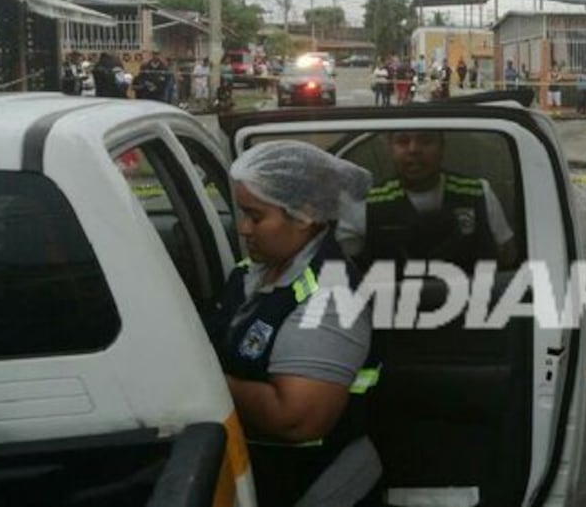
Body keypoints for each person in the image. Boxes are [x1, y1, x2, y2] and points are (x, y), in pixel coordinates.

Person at [205, 140, 382, 507]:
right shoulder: (253, 273)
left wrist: (202, 382)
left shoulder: (331, 298)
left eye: (255, 216)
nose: (243, 229)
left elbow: (297, 419)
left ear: (303, 215)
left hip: (320, 488)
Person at [363, 130, 519, 277]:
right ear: (389, 149)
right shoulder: (369, 202)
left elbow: (507, 256)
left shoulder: (478, 192)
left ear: (442, 147)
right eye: (403, 141)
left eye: (426, 140)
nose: (413, 149)